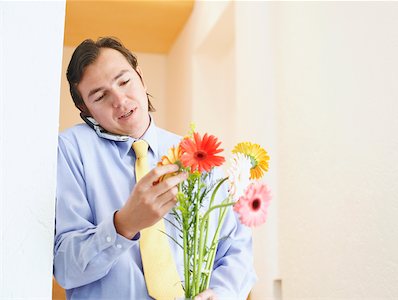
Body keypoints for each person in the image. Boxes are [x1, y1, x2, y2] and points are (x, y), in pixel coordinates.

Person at [53, 37, 256, 300]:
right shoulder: (69, 150)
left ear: (140, 77)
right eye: (100, 96)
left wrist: (222, 292)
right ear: (85, 110)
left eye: (124, 81)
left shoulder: (196, 153)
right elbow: (65, 268)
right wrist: (123, 225)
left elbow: (235, 248)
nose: (120, 99)